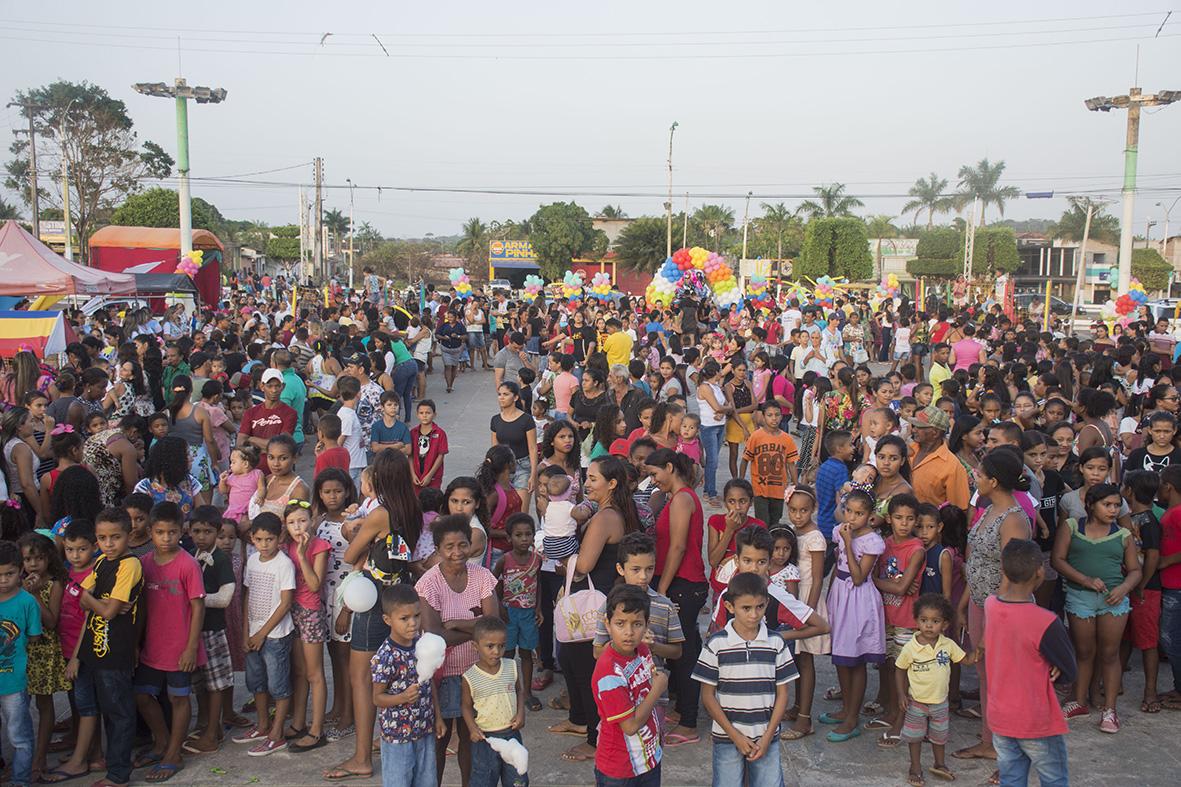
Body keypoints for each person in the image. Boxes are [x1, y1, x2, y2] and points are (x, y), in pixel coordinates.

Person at [415, 514, 499, 786]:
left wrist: (458, 624)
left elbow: (495, 627)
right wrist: (477, 631)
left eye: (462, 545)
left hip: (479, 673)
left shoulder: (482, 576)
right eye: (449, 547)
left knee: (471, 738)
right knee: (439, 740)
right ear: (438, 549)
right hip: (445, 675)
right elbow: (435, 637)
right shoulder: (429, 583)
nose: (457, 553)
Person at [986, 540, 1077, 787]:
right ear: (1040, 571)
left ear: (1003, 571)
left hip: (1001, 716)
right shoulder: (1046, 621)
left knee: (1011, 777)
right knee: (1054, 778)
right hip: (1036, 718)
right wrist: (1051, 662)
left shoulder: (990, 606)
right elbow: (1069, 669)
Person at [1051, 482, 1140, 733]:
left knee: (1110, 654)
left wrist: (1123, 589)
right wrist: (1085, 580)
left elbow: (1134, 571)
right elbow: (1057, 560)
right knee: (1084, 651)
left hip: (1114, 600)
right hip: (1080, 598)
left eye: (1116, 506)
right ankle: (1079, 701)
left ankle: (1110, 710)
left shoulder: (1124, 535)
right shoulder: (1071, 527)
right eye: (1107, 505)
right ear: (1090, 505)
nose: (1112, 510)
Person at [693, 571, 796, 787]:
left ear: (767, 603)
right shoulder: (716, 644)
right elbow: (708, 696)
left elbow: (783, 694)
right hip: (727, 738)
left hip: (766, 737)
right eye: (746, 608)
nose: (753, 614)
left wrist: (768, 737)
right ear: (730, 607)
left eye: (759, 607)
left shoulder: (775, 643)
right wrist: (735, 736)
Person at [66, 507, 144, 787]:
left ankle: (118, 774)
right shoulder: (100, 563)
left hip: (115, 651)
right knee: (102, 709)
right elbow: (81, 595)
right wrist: (97, 603)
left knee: (119, 713)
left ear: (129, 536)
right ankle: (111, 763)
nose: (108, 544)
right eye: (102, 538)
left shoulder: (129, 565)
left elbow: (107, 611)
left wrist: (95, 602)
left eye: (115, 537)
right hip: (94, 651)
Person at [132, 502, 207, 782]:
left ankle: (174, 753)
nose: (166, 538)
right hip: (152, 646)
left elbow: (198, 607)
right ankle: (162, 742)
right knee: (141, 695)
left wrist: (190, 647)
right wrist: (136, 644)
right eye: (160, 532)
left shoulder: (188, 564)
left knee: (178, 698)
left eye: (172, 532)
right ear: (150, 532)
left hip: (180, 648)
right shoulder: (144, 564)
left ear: (181, 531)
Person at [646, 448, 706, 746]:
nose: (654, 481)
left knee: (683, 654)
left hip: (683, 583)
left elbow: (678, 547)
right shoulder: (677, 497)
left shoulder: (682, 499)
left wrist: (662, 590)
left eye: (655, 474)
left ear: (670, 467)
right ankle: (684, 708)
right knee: (686, 646)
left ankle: (690, 722)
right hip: (680, 582)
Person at [894, 593, 977, 787]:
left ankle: (939, 764)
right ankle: (915, 767)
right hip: (916, 702)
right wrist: (901, 694)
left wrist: (980, 650)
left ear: (945, 625)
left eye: (935, 621)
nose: (929, 626)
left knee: (939, 736)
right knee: (914, 737)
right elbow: (899, 670)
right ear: (916, 622)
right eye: (924, 620)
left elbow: (965, 660)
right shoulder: (910, 648)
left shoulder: (947, 645)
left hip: (940, 702)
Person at [823, 488, 885, 742]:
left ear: (870, 516)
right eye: (849, 511)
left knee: (855, 658)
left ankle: (853, 718)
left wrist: (849, 544)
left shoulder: (872, 541)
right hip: (840, 594)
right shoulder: (840, 531)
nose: (852, 517)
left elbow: (859, 577)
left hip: (858, 600)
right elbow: (838, 566)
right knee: (841, 656)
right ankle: (845, 708)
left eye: (859, 513)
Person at [591, 584, 668, 787]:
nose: (629, 632)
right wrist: (658, 689)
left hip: (649, 759)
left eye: (637, 624)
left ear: (647, 624)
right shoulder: (608, 672)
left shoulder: (642, 649)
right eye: (620, 623)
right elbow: (631, 726)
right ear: (607, 624)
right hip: (619, 769)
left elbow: (644, 694)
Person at [234, 512, 296, 756]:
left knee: (278, 685)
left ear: (279, 538)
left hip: (276, 636)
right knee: (256, 683)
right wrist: (246, 632)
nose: (264, 545)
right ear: (252, 539)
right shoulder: (252, 561)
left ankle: (277, 734)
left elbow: (285, 603)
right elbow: (247, 595)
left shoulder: (284, 564)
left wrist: (262, 634)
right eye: (259, 540)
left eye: (269, 539)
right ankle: (262, 725)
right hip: (253, 633)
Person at [372, 584, 442, 787]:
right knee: (399, 782)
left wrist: (438, 717)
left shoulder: (422, 644)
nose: (413, 623)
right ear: (388, 620)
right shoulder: (386, 656)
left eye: (417, 616)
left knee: (427, 781)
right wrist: (401, 697)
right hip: (397, 738)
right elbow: (377, 697)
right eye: (404, 619)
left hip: (424, 730)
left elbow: (430, 683)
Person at [182, 507, 237, 757]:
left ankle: (212, 733)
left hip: (212, 628)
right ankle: (207, 725)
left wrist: (195, 600)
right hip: (195, 628)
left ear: (217, 532)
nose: (202, 536)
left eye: (207, 532)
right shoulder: (193, 554)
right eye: (197, 531)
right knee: (200, 682)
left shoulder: (221, 559)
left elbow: (225, 597)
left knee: (215, 683)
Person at [281, 501, 331, 752]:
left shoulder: (319, 547)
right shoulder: (286, 545)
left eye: (302, 521)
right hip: (294, 611)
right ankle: (299, 722)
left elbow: (314, 584)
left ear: (311, 520)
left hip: (311, 612)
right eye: (291, 523)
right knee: (299, 672)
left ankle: (316, 730)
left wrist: (301, 555)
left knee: (314, 674)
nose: (298, 527)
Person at [461, 616, 529, 787]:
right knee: (484, 779)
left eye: (501, 646)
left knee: (516, 778)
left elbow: (520, 691)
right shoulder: (470, 677)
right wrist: (472, 729)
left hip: (511, 734)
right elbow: (466, 706)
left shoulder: (511, 666)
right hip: (485, 739)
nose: (496, 651)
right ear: (475, 646)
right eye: (490, 646)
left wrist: (521, 713)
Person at [492, 513, 543, 712]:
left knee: (527, 653)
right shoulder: (505, 560)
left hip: (528, 613)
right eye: (518, 535)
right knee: (507, 654)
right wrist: (499, 607)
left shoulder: (536, 560)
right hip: (509, 614)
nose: (524, 539)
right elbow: (492, 584)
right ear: (509, 538)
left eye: (528, 534)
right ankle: (508, 691)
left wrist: (538, 608)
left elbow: (538, 585)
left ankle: (527, 693)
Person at [0, 540, 40, 787]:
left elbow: (34, 636)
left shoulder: (27, 602)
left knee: (19, 735)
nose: (3, 580)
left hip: (15, 682)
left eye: (9, 574)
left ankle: (21, 779)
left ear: (20, 572)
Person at [741, 400, 799, 527]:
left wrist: (796, 485)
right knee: (762, 522)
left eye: (777, 415)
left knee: (775, 521)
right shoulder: (755, 437)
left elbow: (791, 464)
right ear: (763, 416)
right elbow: (745, 459)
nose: (774, 418)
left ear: (781, 416)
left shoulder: (787, 439)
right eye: (770, 415)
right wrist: (740, 483)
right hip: (760, 488)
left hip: (779, 489)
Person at [907, 406, 970, 512]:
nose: (914, 430)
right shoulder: (908, 449)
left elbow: (959, 509)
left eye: (920, 427)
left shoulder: (953, 467)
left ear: (935, 433)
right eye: (914, 426)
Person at [239, 370, 298, 475]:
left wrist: (252, 440)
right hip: (253, 473)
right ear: (262, 386)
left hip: (279, 473)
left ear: (283, 387)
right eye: (270, 386)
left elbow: (282, 446)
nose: (274, 390)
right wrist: (270, 447)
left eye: (277, 386)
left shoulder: (290, 413)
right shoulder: (251, 412)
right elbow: (240, 443)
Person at [411, 400, 448, 491]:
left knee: (432, 500)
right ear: (417, 415)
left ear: (434, 414)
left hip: (433, 476)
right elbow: (410, 455)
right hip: (416, 475)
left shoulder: (440, 433)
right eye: (421, 413)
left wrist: (429, 475)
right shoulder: (413, 433)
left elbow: (441, 456)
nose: (424, 415)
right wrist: (412, 474)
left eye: (428, 413)